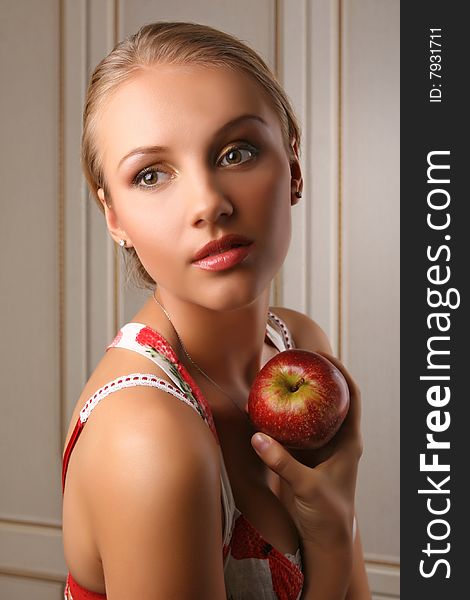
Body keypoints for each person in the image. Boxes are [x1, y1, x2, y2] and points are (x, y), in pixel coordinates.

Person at [61, 21, 370, 600]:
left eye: (237, 151)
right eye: (150, 175)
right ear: (114, 217)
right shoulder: (149, 439)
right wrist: (331, 538)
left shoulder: (296, 344)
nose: (208, 203)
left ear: (294, 166)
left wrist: (334, 532)